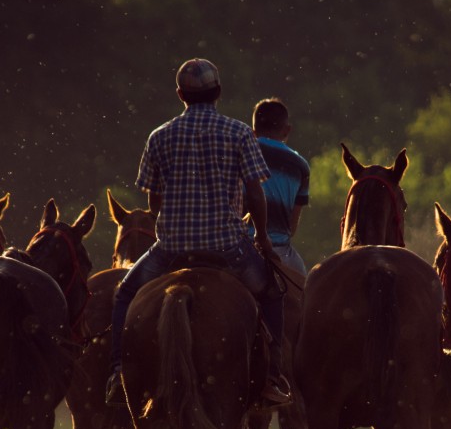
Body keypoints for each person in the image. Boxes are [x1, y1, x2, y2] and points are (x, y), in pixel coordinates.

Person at [104, 58, 292, 409]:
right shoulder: (238, 133)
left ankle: (118, 372)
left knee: (125, 294)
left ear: (180, 95)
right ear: (218, 92)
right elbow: (255, 192)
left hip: (171, 249)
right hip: (228, 247)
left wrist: (167, 225)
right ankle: (271, 377)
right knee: (271, 292)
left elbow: (153, 196)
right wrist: (263, 237)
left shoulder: (159, 136)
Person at [251, 98, 311, 275]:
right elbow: (291, 229)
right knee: (306, 292)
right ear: (287, 130)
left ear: (253, 132)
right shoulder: (301, 166)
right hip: (279, 251)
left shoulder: (243, 151)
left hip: (240, 246)